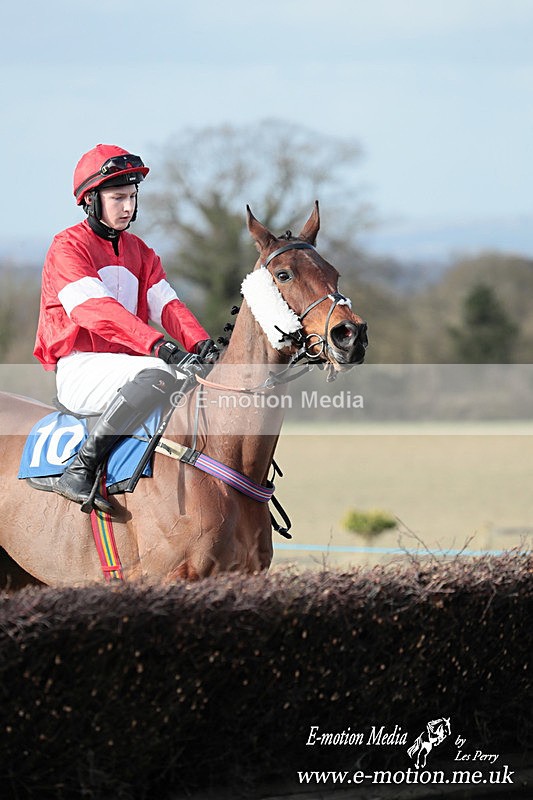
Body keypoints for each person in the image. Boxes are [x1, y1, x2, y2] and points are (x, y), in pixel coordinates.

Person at [34, 143, 217, 515]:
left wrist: (202, 345)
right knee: (159, 371)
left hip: (131, 367)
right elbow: (98, 311)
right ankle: (80, 470)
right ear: (91, 201)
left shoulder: (141, 252)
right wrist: (159, 346)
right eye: (118, 198)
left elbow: (168, 306)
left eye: (132, 197)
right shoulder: (67, 248)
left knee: (186, 379)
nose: (128, 207)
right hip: (82, 368)